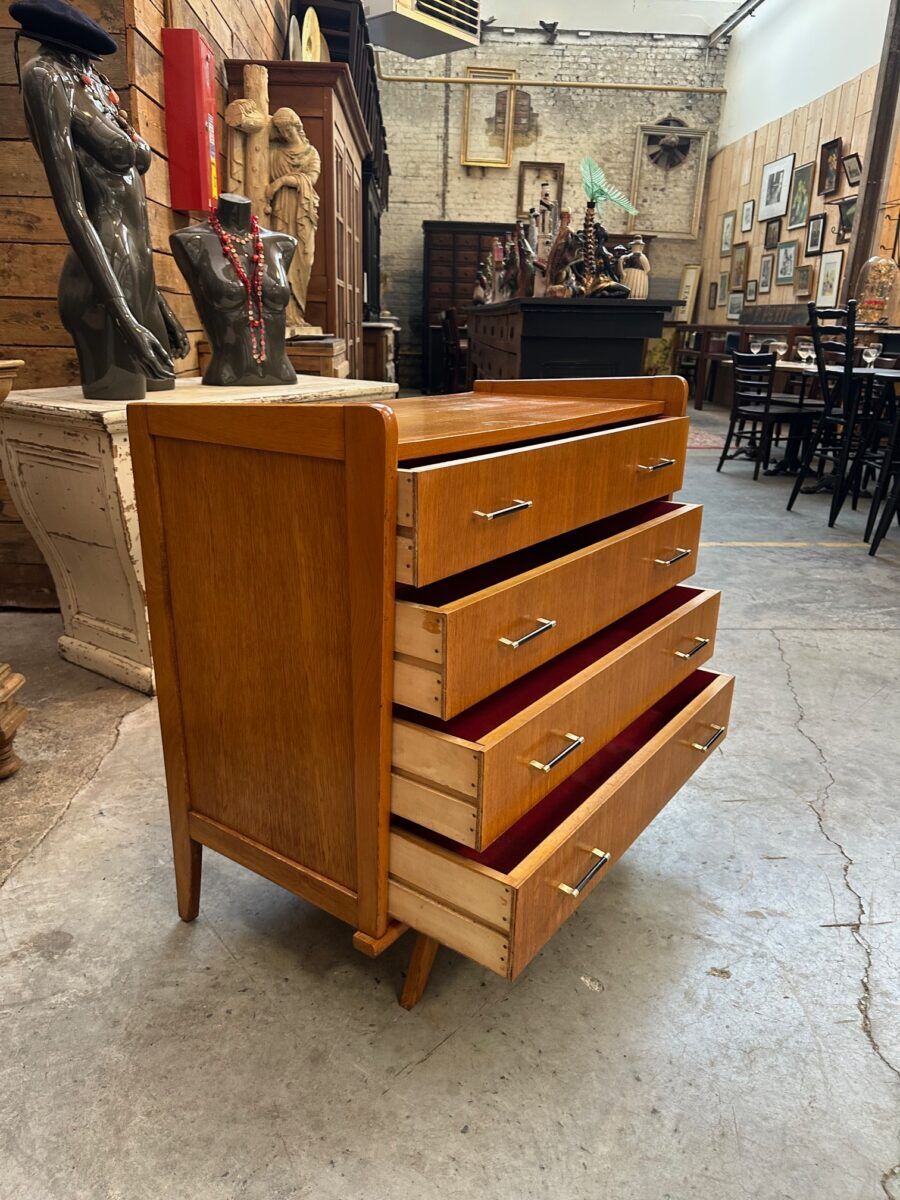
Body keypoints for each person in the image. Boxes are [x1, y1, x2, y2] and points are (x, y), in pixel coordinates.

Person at [11, 0, 188, 399]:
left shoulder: (92, 81)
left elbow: (133, 214)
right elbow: (72, 205)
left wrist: (154, 302)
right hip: (102, 289)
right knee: (124, 411)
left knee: (164, 396)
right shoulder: (44, 76)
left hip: (137, 272)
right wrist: (125, 317)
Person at [265, 108, 321, 334]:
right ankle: (283, 315)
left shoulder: (311, 153)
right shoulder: (274, 153)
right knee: (279, 259)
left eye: (288, 129)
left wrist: (281, 182)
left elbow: (311, 178)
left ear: (297, 126)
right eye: (280, 130)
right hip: (279, 211)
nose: (285, 134)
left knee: (304, 260)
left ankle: (297, 314)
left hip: (302, 210)